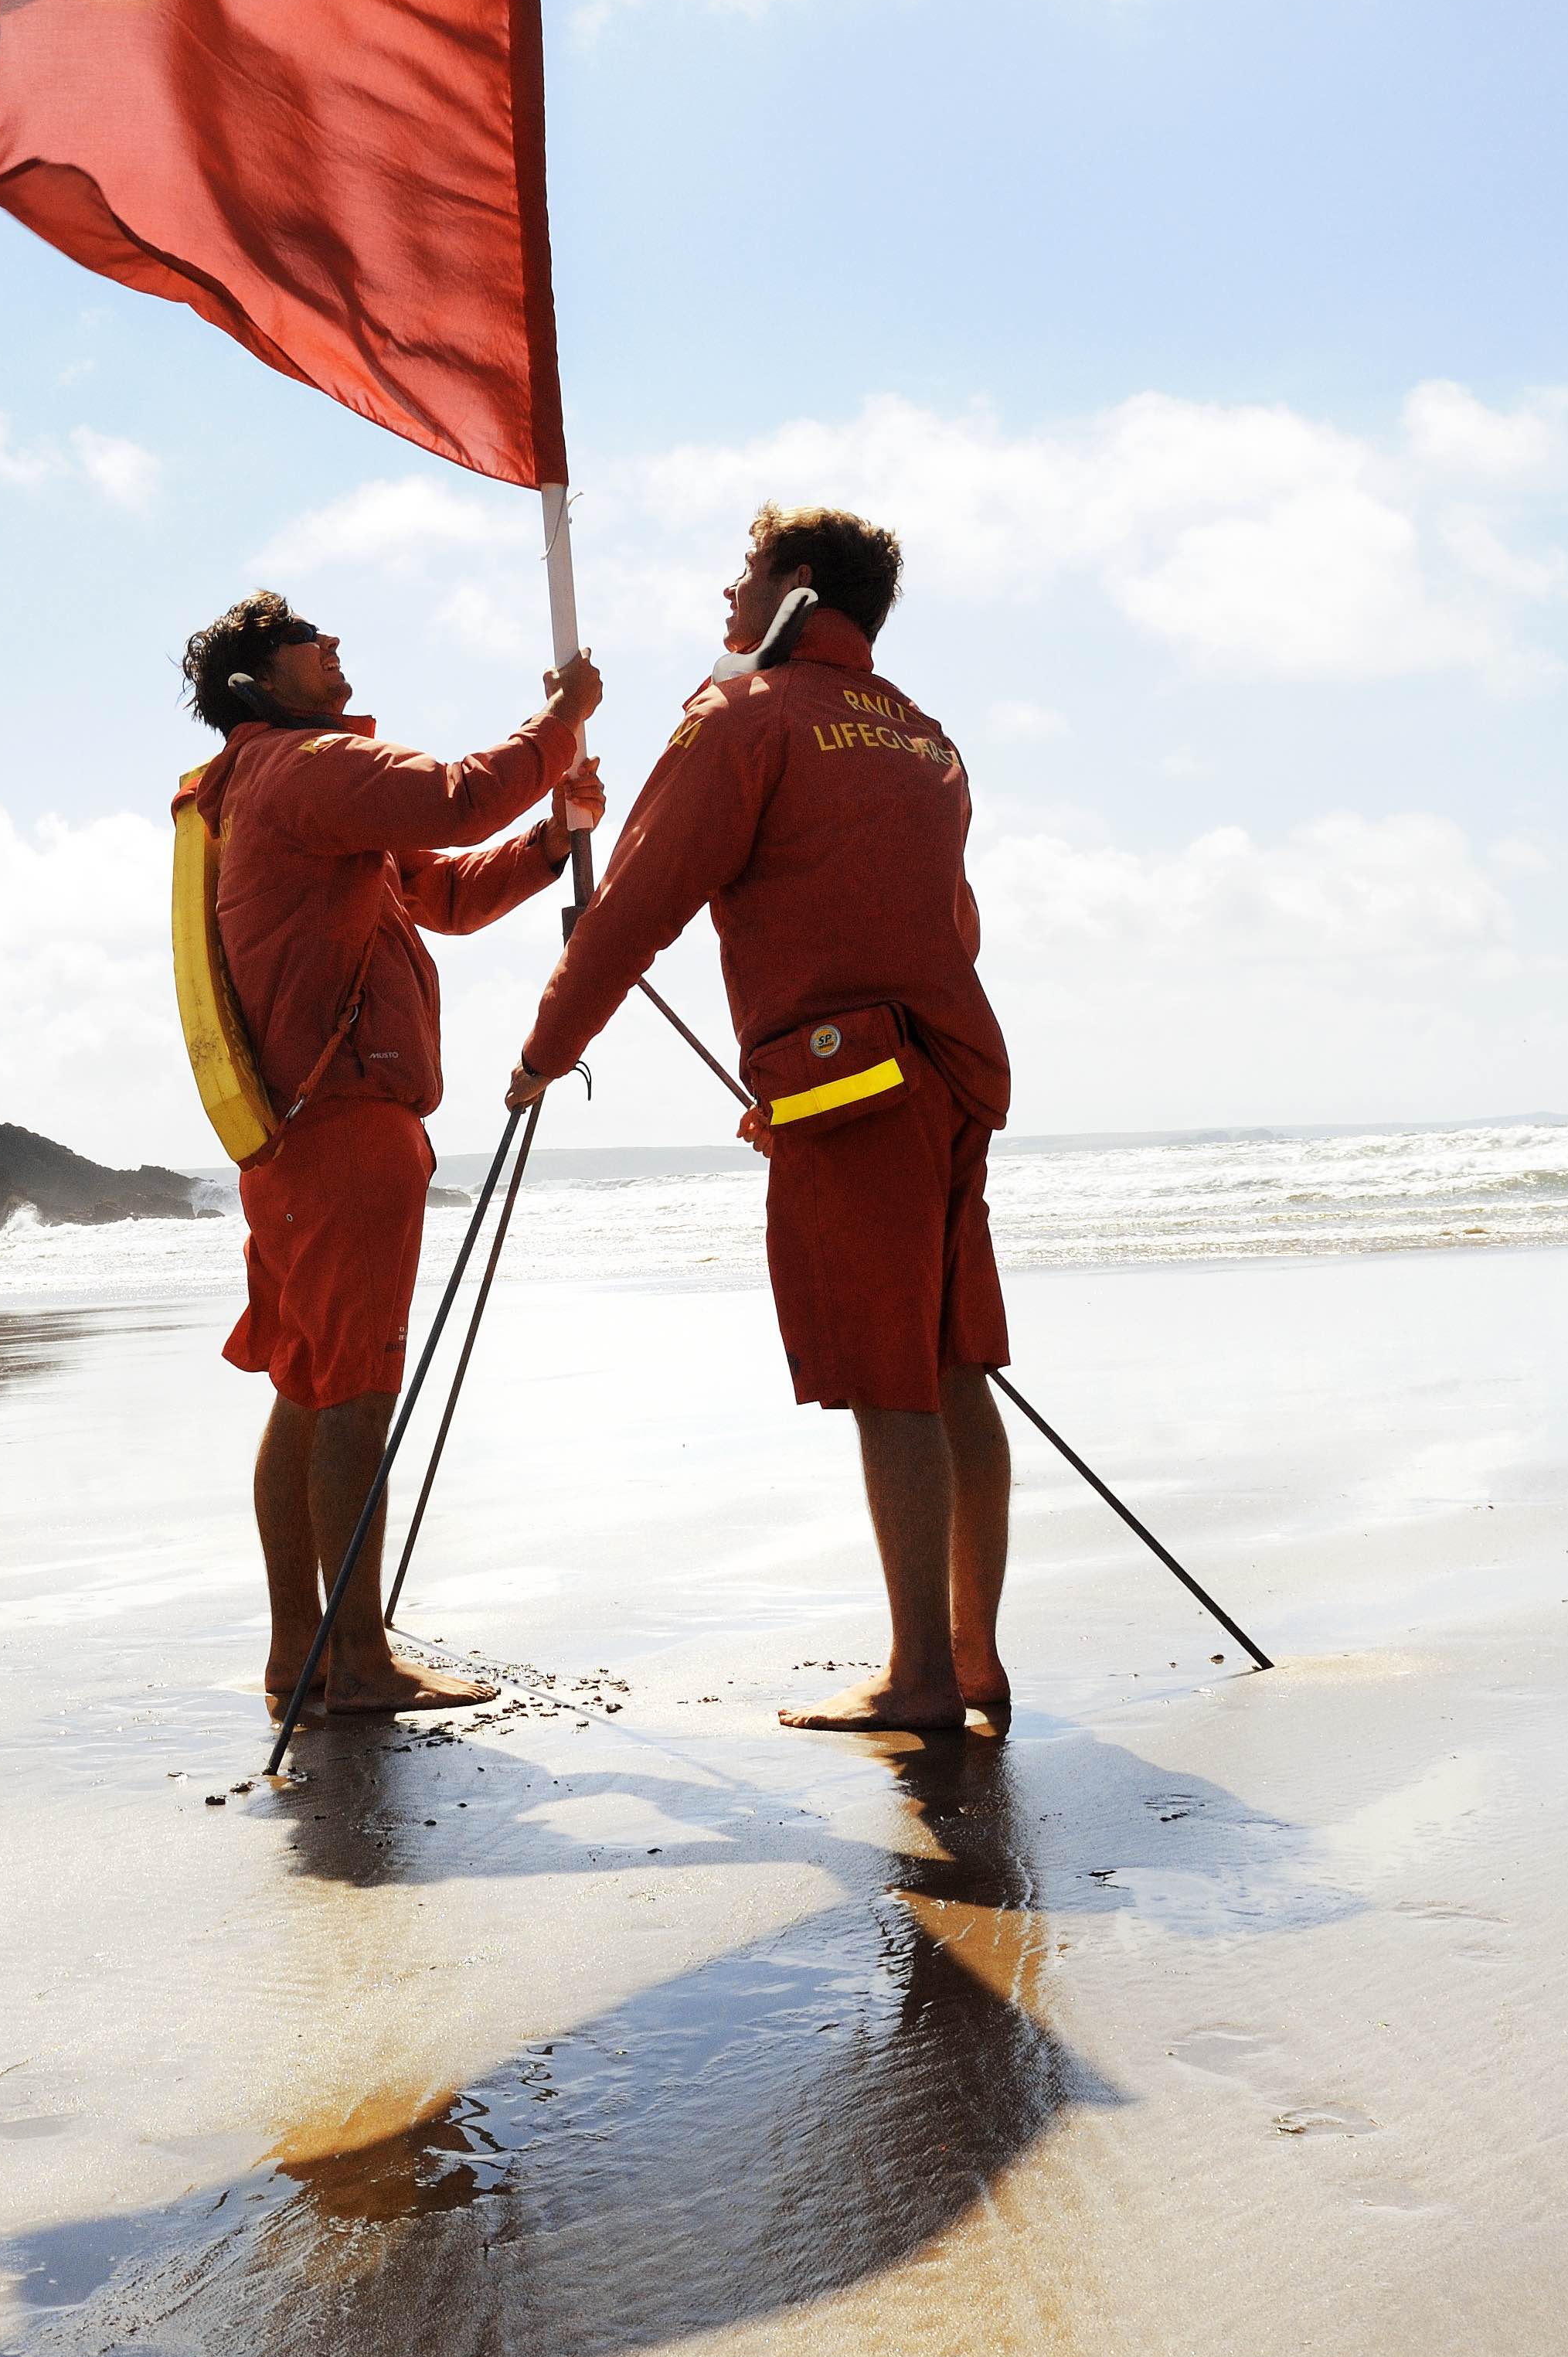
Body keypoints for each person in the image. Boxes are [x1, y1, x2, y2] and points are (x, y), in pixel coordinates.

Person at [502, 506, 1018, 1734]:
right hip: (950, 1072)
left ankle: (920, 1682)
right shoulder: (925, 738)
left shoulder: (745, 717)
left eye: (743, 577)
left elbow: (630, 910)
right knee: (954, 1364)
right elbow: (955, 926)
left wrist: (543, 1054)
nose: (725, 601)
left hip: (855, 1087)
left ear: (795, 588)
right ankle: (973, 1659)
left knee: (891, 1375)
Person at [181, 590, 602, 1718]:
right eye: (309, 640)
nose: (333, 647)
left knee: (309, 1389)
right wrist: (557, 724)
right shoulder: (301, 769)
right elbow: (455, 801)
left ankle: (299, 1656)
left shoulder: (270, 794)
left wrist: (553, 839)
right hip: (346, 1129)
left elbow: (447, 893)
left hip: (290, 1139)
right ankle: (358, 1661)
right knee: (355, 1389)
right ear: (258, 680)